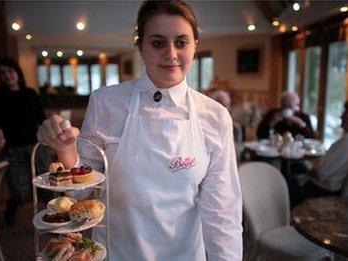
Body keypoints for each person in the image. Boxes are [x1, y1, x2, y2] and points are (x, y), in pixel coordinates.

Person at [37, 1, 243, 260]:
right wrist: (65, 149)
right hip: (118, 251)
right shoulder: (106, 102)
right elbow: (85, 191)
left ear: (195, 46)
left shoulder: (214, 116)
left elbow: (222, 211)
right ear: (141, 47)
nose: (171, 53)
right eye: (158, 43)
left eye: (181, 42)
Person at [0, 57, 46, 224]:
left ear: (17, 72)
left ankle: (55, 217)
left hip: (35, 146)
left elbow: (41, 120)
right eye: (2, 73)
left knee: (45, 186)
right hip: (12, 148)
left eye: (10, 71)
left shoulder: (30, 94)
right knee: (20, 192)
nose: (7, 75)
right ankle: (10, 210)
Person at [301, 98, 348, 198]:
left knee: (290, 178)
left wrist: (308, 165)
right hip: (338, 191)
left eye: (345, 114)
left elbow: (322, 173)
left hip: (323, 192)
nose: (341, 117)